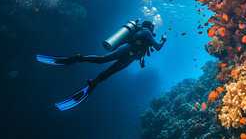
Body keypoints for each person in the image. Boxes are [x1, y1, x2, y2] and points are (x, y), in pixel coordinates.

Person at [36, 20, 167, 111]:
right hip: (128, 54)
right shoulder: (146, 31)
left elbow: (143, 52)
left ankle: (87, 69)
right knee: (107, 65)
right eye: (153, 28)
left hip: (129, 54)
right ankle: (88, 72)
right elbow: (158, 47)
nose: (153, 30)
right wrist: (163, 39)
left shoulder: (143, 32)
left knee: (104, 62)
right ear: (150, 27)